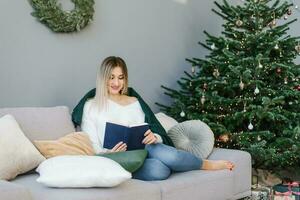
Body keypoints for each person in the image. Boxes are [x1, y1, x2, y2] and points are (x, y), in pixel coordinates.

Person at [72, 56, 235, 181]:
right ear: (103, 78)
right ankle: (179, 165)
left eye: (120, 77)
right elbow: (91, 143)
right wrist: (108, 152)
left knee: (173, 156)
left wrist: (154, 136)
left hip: (146, 148)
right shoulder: (90, 106)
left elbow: (150, 127)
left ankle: (207, 165)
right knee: (160, 171)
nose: (116, 82)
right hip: (117, 157)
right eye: (111, 77)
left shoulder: (134, 101)